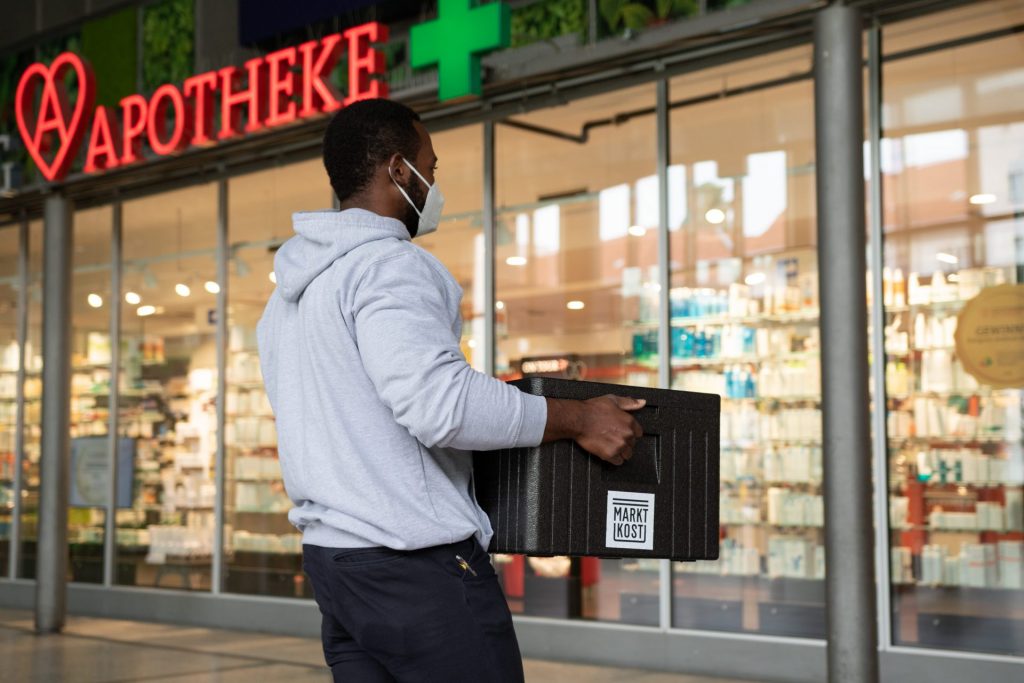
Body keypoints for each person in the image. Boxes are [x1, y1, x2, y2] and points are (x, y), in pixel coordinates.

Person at [257, 98, 645, 683]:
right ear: (397, 170)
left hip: (337, 566)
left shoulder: (289, 297)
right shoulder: (389, 266)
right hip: (414, 568)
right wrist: (580, 418)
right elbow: (441, 405)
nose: (434, 185)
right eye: (430, 169)